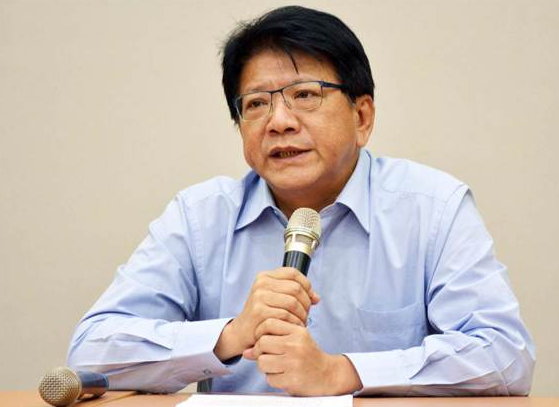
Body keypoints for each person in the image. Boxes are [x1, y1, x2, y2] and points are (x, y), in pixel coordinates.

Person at [67, 5, 535, 396]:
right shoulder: (199, 218)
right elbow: (91, 351)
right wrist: (230, 334)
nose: (279, 121)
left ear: (362, 116)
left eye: (305, 95)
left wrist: (342, 373)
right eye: (256, 104)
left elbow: (505, 355)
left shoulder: (433, 208)